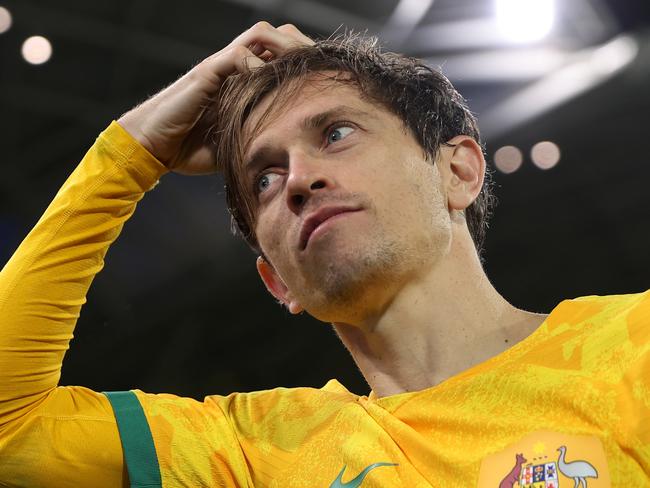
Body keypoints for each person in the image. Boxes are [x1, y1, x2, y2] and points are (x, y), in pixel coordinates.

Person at [0, 21, 648, 487]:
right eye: (264, 178)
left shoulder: (633, 348)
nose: (300, 179)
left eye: (336, 133)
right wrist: (131, 154)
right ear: (276, 282)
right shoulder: (255, 452)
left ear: (458, 171)